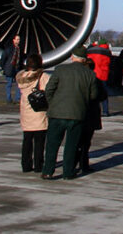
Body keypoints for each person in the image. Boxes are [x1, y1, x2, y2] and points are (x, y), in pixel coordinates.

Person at [42, 45, 98, 180]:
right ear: (85, 60)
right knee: (71, 146)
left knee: (52, 144)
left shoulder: (60, 70)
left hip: (57, 113)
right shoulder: (90, 74)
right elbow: (93, 96)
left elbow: (49, 90)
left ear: (72, 57)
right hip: (77, 114)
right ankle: (68, 172)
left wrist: (53, 104)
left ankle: (48, 171)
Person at [16, 53, 50, 173]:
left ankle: (25, 165)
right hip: (39, 112)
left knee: (27, 140)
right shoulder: (43, 77)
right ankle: (38, 165)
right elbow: (50, 91)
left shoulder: (21, 77)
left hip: (26, 111)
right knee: (39, 142)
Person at [75, 57, 107, 174]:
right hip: (91, 114)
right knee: (86, 143)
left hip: (78, 113)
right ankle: (84, 165)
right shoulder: (96, 80)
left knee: (76, 141)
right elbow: (103, 96)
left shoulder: (77, 80)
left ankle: (72, 164)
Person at [86, 40, 112, 116]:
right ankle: (105, 111)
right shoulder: (107, 52)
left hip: (94, 73)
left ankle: (92, 110)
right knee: (104, 94)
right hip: (104, 74)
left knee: (92, 93)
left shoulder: (92, 51)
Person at [0, 34, 22, 103]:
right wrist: (3, 68)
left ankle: (17, 98)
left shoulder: (19, 49)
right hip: (9, 69)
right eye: (17, 39)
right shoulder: (9, 49)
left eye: (19, 39)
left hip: (17, 69)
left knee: (19, 84)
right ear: (14, 40)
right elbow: (3, 59)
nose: (18, 41)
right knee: (9, 84)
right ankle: (8, 98)